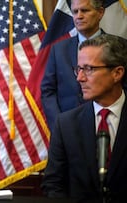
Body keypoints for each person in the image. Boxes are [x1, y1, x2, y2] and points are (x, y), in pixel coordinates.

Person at [41, 34, 127, 202]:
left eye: (89, 69)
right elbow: (53, 184)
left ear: (117, 73)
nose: (79, 78)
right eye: (78, 69)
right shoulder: (65, 124)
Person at [41, 0, 105, 132]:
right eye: (75, 12)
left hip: (107, 126)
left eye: (85, 10)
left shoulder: (119, 47)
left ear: (100, 13)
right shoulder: (58, 49)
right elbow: (48, 90)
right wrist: (59, 125)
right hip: (67, 130)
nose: (79, 16)